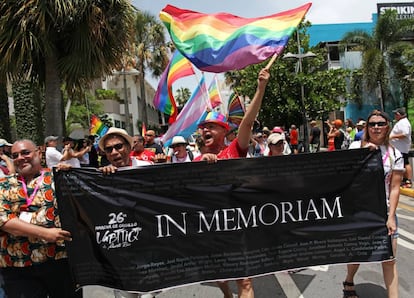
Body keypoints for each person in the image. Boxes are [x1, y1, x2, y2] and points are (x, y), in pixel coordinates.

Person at [194, 67, 270, 298]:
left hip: (238, 225)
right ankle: (226, 293)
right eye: (203, 128)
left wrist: (261, 88)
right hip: (209, 228)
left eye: (210, 127)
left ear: (224, 131)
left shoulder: (235, 150)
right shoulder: (195, 160)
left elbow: (247, 124)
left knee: (245, 281)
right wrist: (201, 166)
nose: (205, 130)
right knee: (219, 276)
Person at [0, 139, 80, 297]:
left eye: (25, 152)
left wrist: (74, 174)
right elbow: (3, 220)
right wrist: (45, 233)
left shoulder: (58, 178)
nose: (20, 158)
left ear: (38, 152)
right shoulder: (4, 185)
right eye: (15, 155)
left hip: (59, 260)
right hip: (17, 265)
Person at [343, 110, 403, 298]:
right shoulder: (355, 146)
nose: (376, 127)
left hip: (383, 212)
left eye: (380, 124)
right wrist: (363, 154)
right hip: (360, 210)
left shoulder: (395, 153)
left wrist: (391, 216)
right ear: (367, 128)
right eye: (372, 124)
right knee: (357, 253)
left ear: (387, 127)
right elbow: (344, 177)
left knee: (389, 259)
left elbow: (395, 187)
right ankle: (349, 279)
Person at [97, 128, 155, 298]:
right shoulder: (101, 176)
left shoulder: (146, 168)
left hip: (147, 244)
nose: (114, 152)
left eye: (119, 146)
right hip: (120, 248)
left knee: (147, 294)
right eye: (109, 149)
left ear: (129, 147)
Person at [389, 107, 412, 188]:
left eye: (395, 114)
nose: (394, 116)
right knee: (403, 163)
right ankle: (405, 179)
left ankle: (408, 180)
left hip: (402, 147)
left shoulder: (404, 123)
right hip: (399, 148)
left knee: (405, 162)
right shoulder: (401, 122)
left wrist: (392, 137)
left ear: (399, 115)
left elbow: (405, 134)